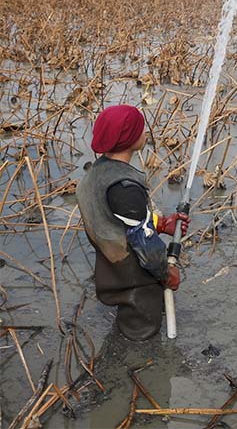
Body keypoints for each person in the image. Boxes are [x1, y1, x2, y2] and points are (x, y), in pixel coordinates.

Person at [77, 105, 190, 341]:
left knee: (131, 307)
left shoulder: (99, 173)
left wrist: (161, 224)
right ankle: (139, 360)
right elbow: (145, 247)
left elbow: (122, 219)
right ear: (128, 139)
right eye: (141, 130)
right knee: (143, 324)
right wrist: (165, 273)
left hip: (110, 263)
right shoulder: (125, 188)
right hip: (133, 270)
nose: (145, 134)